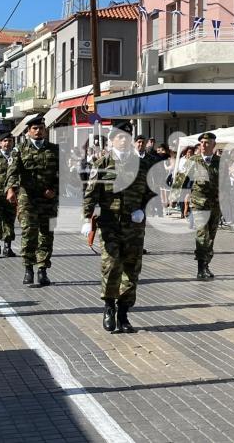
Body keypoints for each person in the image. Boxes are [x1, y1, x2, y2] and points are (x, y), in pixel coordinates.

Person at [82, 122, 157, 334]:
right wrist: (87, 219)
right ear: (112, 140)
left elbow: (150, 191)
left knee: (131, 269)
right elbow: (91, 193)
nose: (124, 140)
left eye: (127, 137)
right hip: (110, 224)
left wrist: (142, 209)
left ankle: (123, 313)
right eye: (120, 137)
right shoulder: (102, 163)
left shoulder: (142, 164)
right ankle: (109, 307)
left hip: (134, 225)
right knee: (111, 265)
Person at [6, 115, 60, 287]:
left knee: (46, 235)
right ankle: (28, 268)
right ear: (28, 131)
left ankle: (42, 269)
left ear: (45, 130)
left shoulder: (55, 150)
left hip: (48, 200)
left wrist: (54, 189)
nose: (38, 131)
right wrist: (10, 189)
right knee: (29, 233)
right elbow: (13, 171)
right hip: (27, 199)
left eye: (41, 128)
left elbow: (64, 174)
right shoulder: (20, 150)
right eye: (34, 129)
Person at [174, 133, 221, 280]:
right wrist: (174, 196)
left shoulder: (220, 162)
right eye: (202, 142)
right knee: (202, 234)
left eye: (207, 142)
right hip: (199, 203)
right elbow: (180, 178)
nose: (203, 145)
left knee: (211, 236)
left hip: (216, 203)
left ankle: (206, 264)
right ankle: (200, 268)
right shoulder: (193, 160)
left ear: (213, 145)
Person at [0, 133, 17, 257]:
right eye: (5, 141)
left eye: (10, 141)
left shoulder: (16, 158)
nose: (7, 143)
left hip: (12, 194)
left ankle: (7, 246)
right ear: (0, 143)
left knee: (9, 220)